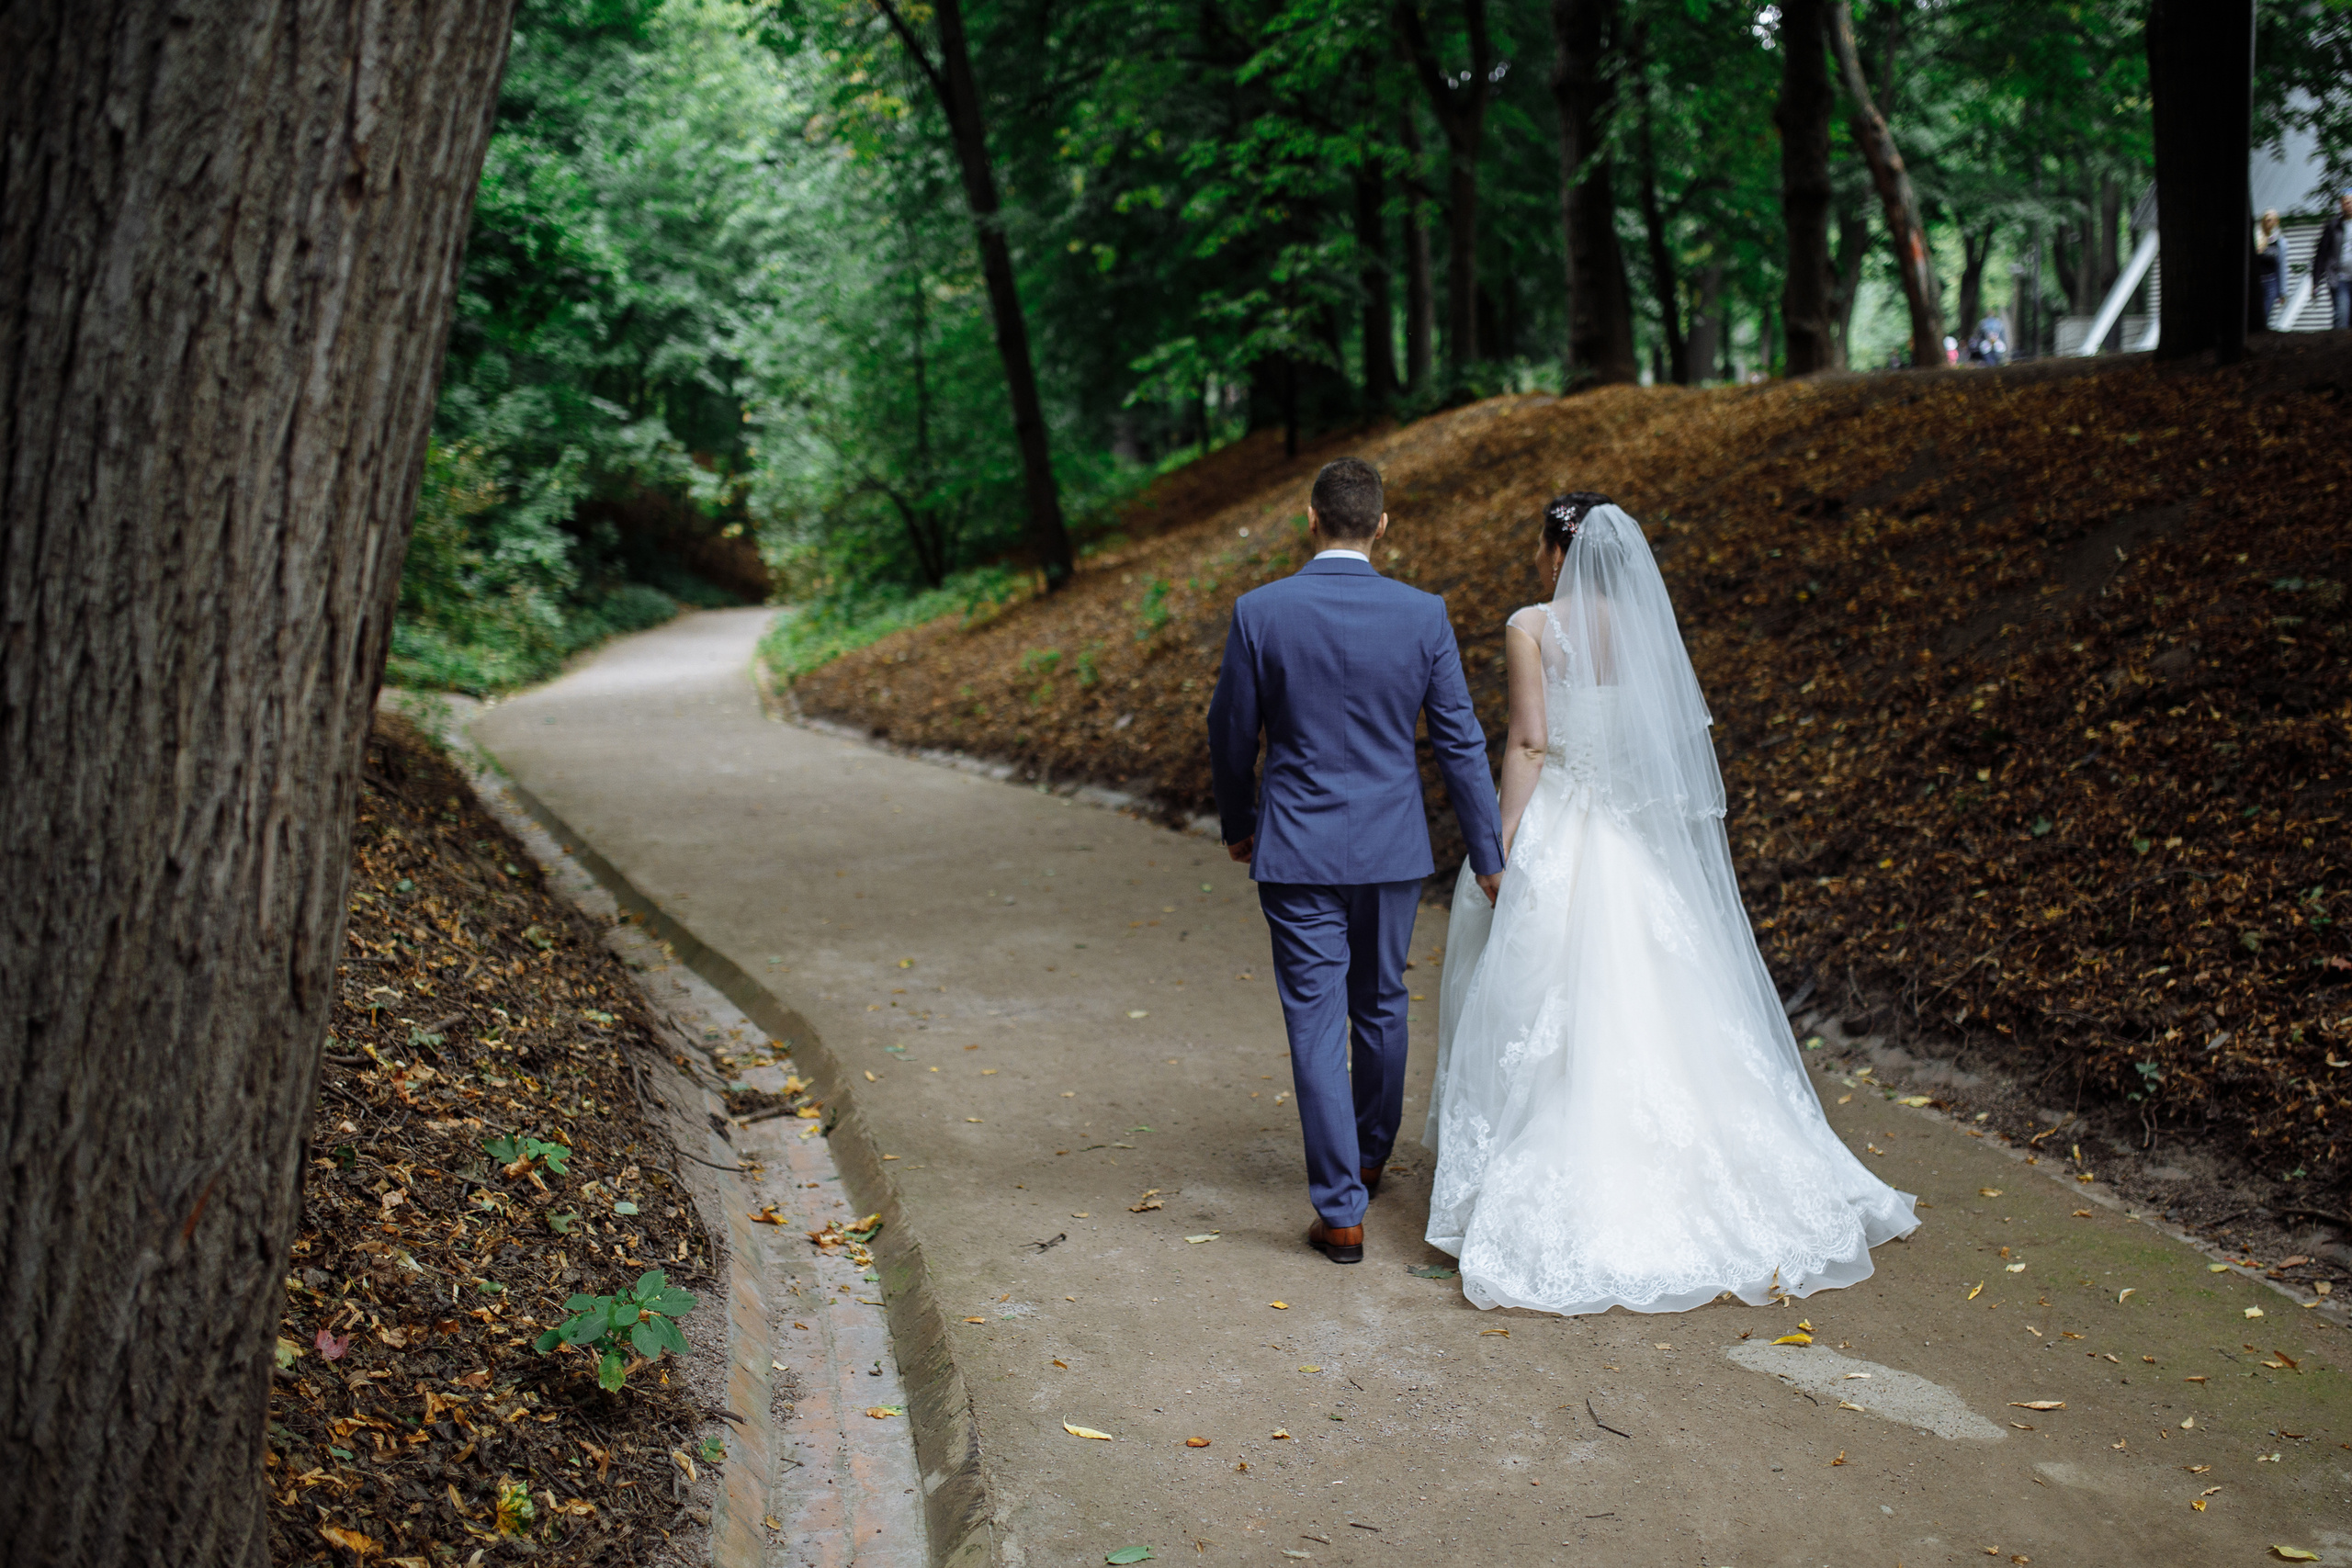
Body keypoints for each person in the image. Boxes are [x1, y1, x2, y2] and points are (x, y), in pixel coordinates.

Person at [1422, 492, 1916, 1314]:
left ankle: (1533, 1166)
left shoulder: (1532, 625)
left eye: (1540, 547)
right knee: (1655, 997)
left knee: (1532, 990)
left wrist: (1498, 841)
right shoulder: (1642, 626)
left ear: (1559, 552)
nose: (1537, 561)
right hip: (1621, 837)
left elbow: (1531, 741)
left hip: (1559, 822)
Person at [1206, 457, 1505, 1266]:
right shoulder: (1423, 614)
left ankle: (1340, 1211)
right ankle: (1370, 1156)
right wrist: (1489, 853)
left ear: (1310, 519)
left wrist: (1240, 822)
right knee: (1380, 1001)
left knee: (1313, 1020)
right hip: (1390, 847)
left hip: (1296, 846)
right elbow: (1459, 739)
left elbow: (1231, 731)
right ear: (1381, 524)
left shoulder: (1260, 611)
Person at [2316, 191, 2352, 333]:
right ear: (2341, 205)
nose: (2349, 205)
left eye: (2351, 202)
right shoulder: (2334, 226)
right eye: (2346, 202)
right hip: (2340, 278)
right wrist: (2316, 280)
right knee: (2342, 316)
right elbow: (2321, 253)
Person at [2256, 209, 2288, 328]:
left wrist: (2283, 291)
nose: (2269, 223)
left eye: (2272, 220)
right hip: (2259, 280)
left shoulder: (2280, 241)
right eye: (2267, 220)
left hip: (2271, 281)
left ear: (2276, 222)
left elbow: (2282, 266)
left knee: (2265, 312)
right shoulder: (2257, 239)